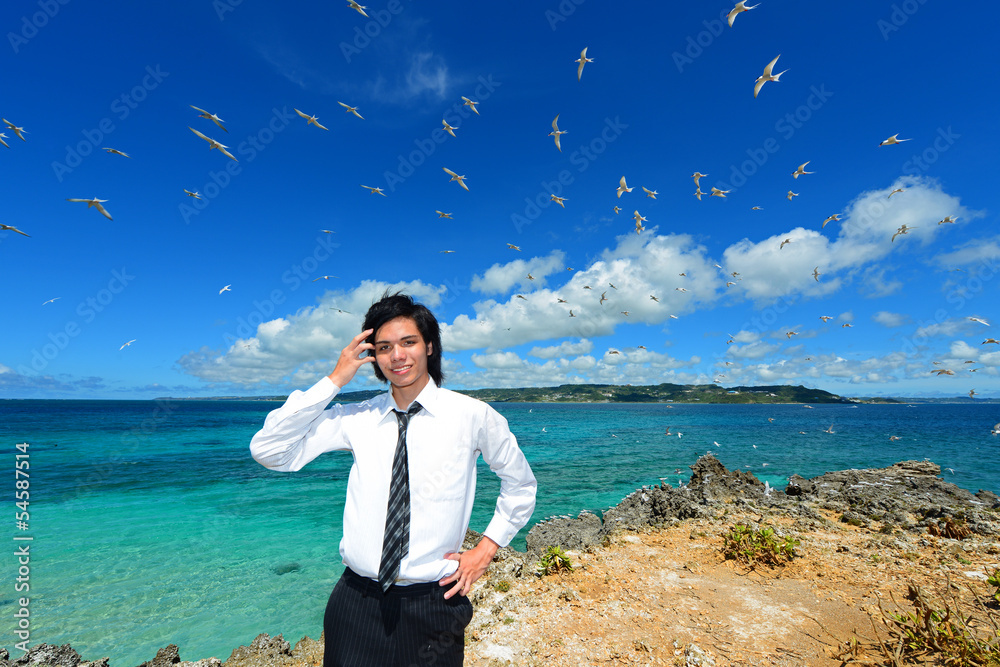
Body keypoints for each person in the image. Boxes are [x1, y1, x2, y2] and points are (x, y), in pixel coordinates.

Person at [249, 292, 536, 667]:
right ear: (373, 356)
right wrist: (335, 379)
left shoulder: (473, 416)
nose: (397, 355)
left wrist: (487, 548)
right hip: (356, 601)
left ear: (429, 346)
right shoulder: (356, 418)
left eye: (408, 342)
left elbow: (520, 483)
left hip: (434, 602)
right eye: (384, 347)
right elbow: (270, 450)